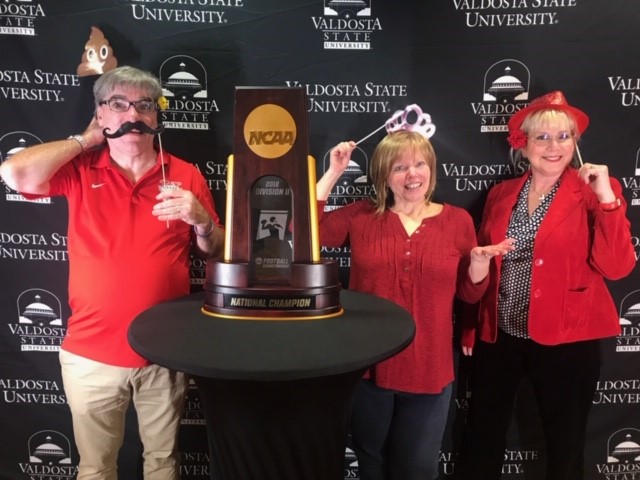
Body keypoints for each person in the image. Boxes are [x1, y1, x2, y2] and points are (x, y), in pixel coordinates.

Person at [0, 65, 224, 479]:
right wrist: (85, 140)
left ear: (156, 116)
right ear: (100, 114)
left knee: (163, 463)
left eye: (143, 105)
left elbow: (218, 253)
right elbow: (13, 173)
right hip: (91, 355)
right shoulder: (80, 168)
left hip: (164, 354)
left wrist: (204, 222)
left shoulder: (186, 174)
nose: (132, 116)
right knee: (95, 467)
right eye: (117, 105)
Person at [315, 130, 514, 480]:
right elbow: (306, 232)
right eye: (400, 167)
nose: (412, 175)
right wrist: (332, 172)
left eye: (420, 164)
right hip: (368, 368)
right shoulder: (362, 215)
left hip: (429, 369)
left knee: (418, 468)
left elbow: (469, 295)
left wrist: (480, 265)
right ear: (383, 176)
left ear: (431, 169)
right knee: (370, 462)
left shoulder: (456, 221)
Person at [457, 91, 635, 480]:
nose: (553, 147)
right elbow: (484, 265)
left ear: (575, 142)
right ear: (523, 144)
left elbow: (618, 267)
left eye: (563, 136)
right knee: (482, 439)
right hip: (500, 336)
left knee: (565, 447)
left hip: (568, 340)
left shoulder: (596, 191)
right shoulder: (501, 194)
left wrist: (606, 198)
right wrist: (472, 322)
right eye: (542, 137)